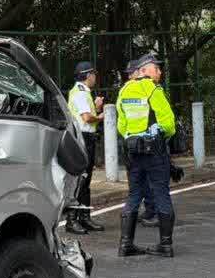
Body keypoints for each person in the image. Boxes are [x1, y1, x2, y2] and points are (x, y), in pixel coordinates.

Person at [116, 54, 177, 257]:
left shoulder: (124, 90)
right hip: (154, 151)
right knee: (160, 192)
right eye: (156, 69)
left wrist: (132, 137)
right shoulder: (153, 90)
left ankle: (126, 245)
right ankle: (165, 245)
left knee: (134, 194)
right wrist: (160, 135)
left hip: (133, 152)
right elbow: (169, 125)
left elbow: (121, 125)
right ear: (144, 70)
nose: (159, 72)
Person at [64, 61, 106, 234]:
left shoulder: (82, 92)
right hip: (82, 138)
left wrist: (95, 108)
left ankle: (84, 217)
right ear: (88, 75)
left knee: (85, 180)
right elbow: (87, 118)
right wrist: (101, 116)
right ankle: (72, 220)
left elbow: (86, 114)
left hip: (84, 137)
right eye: (94, 74)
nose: (95, 77)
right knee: (80, 179)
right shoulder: (81, 93)